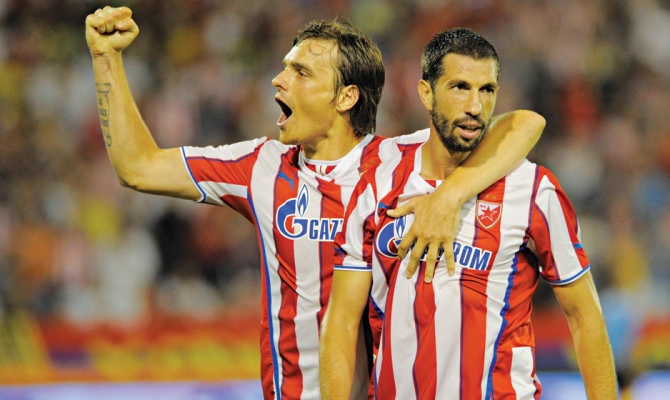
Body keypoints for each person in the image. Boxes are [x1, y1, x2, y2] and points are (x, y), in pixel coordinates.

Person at [85, 7, 545, 400]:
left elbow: (523, 124)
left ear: (346, 97)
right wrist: (106, 59)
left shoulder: (397, 163)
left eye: (301, 72)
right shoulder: (261, 167)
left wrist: (449, 194)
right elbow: (138, 168)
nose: (278, 79)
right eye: (287, 67)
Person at [320, 28, 617, 399]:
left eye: (487, 90)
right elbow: (343, 323)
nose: (475, 107)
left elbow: (584, 315)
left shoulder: (533, 190)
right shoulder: (376, 183)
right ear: (426, 93)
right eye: (460, 87)